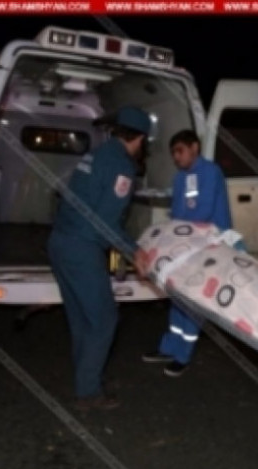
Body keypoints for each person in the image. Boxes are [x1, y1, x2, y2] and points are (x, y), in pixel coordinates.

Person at [48, 106, 150, 412]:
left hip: (59, 242)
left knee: (82, 320)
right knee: (104, 319)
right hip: (82, 248)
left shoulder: (96, 154)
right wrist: (135, 252)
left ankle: (87, 379)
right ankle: (88, 393)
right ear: (140, 138)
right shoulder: (122, 166)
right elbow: (105, 223)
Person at [141, 129, 233, 377]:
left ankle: (183, 356)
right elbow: (177, 212)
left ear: (195, 147)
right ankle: (169, 348)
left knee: (191, 301)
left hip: (208, 245)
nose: (176, 157)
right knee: (177, 297)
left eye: (180, 151)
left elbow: (203, 212)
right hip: (186, 244)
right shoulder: (181, 177)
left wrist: (177, 229)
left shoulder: (210, 172)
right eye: (173, 153)